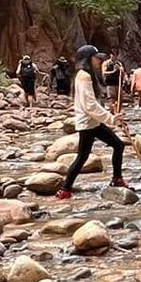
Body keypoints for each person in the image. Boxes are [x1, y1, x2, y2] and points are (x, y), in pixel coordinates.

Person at [55, 45, 130, 198]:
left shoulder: (86, 75)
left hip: (93, 122)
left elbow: (94, 102)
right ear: (88, 59)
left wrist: (110, 115)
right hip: (88, 123)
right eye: (97, 58)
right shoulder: (84, 76)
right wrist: (111, 119)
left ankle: (117, 179)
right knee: (82, 156)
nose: (99, 61)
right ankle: (65, 189)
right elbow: (89, 105)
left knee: (118, 145)